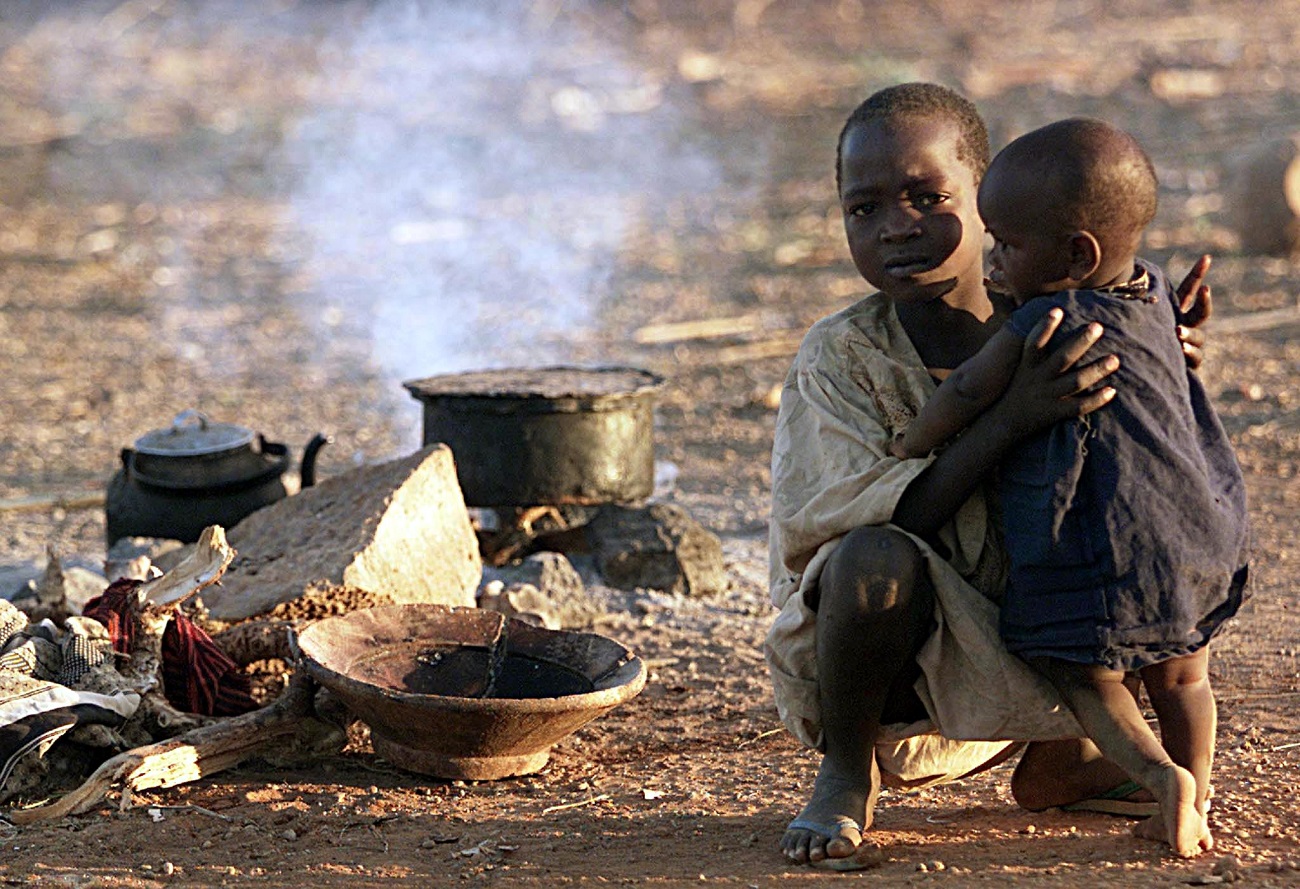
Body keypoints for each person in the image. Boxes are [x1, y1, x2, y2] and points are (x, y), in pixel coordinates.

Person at [765, 82, 1215, 870]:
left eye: (927, 197)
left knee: (1148, 534)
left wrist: (1162, 360)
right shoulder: (840, 357)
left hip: (1060, 634)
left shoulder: (1069, 317)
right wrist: (1011, 418)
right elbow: (883, 520)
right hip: (904, 651)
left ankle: (1080, 759)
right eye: (864, 208)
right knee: (871, 556)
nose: (896, 225)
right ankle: (847, 770)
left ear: (988, 198)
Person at [887, 118, 1248, 857]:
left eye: (1008, 245)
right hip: (1197, 526)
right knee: (1184, 677)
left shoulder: (1047, 319)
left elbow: (968, 392)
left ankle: (1160, 779)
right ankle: (1200, 789)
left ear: (1077, 256)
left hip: (1106, 538)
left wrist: (914, 438)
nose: (994, 259)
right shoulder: (1154, 293)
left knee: (1085, 673)